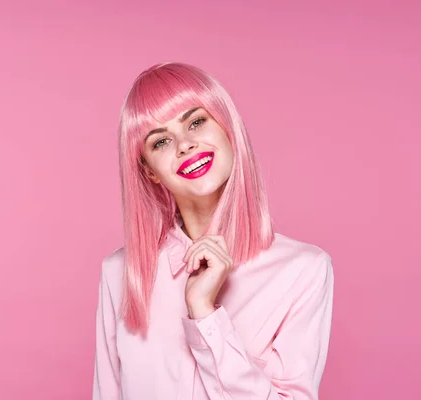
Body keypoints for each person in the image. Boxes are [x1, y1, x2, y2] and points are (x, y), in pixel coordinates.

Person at [93, 62, 334, 399]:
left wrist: (204, 313)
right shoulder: (120, 273)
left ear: (227, 127)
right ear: (149, 172)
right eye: (160, 142)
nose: (184, 145)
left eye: (196, 122)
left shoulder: (303, 270)